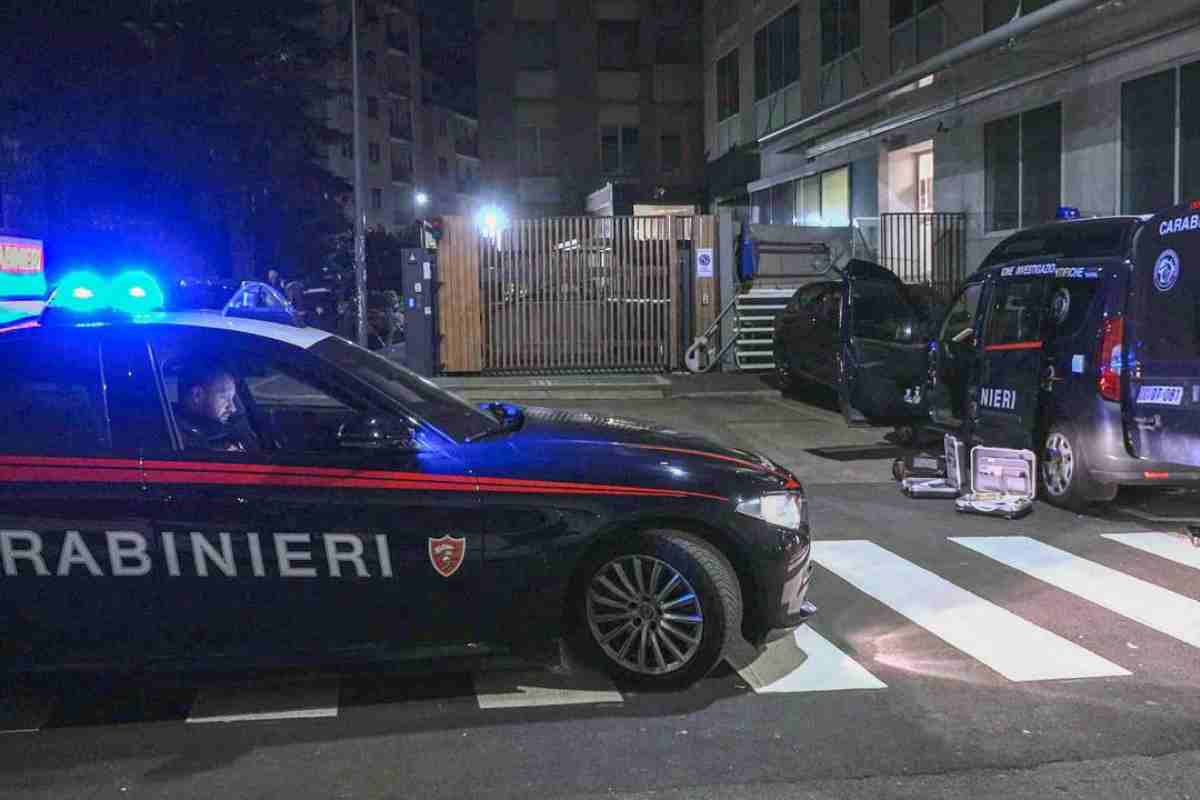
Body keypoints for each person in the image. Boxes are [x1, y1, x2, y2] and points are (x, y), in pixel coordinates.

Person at [174, 363, 262, 453]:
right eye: (224, 397)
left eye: (232, 398)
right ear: (197, 395)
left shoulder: (235, 428)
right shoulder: (175, 437)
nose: (233, 408)